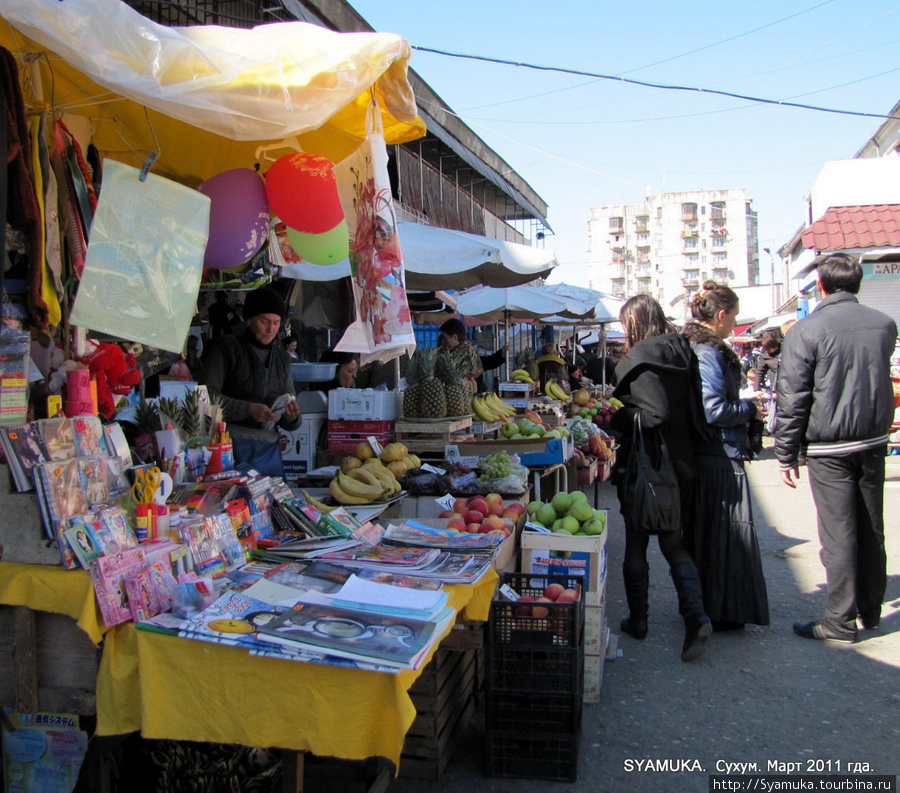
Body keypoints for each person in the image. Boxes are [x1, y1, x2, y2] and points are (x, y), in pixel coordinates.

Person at [774, 253, 897, 643]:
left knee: (839, 533)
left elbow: (793, 396)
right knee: (870, 526)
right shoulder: (884, 324)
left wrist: (786, 453)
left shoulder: (806, 331)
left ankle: (839, 621)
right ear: (857, 284)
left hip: (830, 447)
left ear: (821, 287)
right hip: (874, 440)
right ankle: (870, 610)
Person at [611, 294, 711, 662]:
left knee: (636, 544)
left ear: (634, 323)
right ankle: (695, 616)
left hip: (648, 467)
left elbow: (654, 414)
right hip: (683, 463)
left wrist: (618, 417)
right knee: (673, 542)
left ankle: (639, 621)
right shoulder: (682, 351)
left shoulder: (638, 359)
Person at [682, 280, 770, 631]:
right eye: (733, 316)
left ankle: (716, 608)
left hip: (708, 453)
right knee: (724, 536)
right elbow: (714, 409)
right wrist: (749, 409)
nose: (735, 323)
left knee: (712, 535)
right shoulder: (709, 352)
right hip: (717, 454)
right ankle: (720, 609)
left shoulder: (700, 347)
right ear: (720, 315)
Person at [199, 286, 300, 478]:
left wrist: (292, 416)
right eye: (264, 321)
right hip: (229, 449)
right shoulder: (224, 349)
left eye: (276, 323)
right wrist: (248, 409)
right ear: (249, 319)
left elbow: (289, 403)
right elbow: (206, 398)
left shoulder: (282, 359)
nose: (271, 329)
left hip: (269, 453)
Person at [438, 318, 483, 386]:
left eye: (446, 337)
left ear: (454, 337)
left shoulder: (462, 353)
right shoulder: (468, 348)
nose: (445, 340)